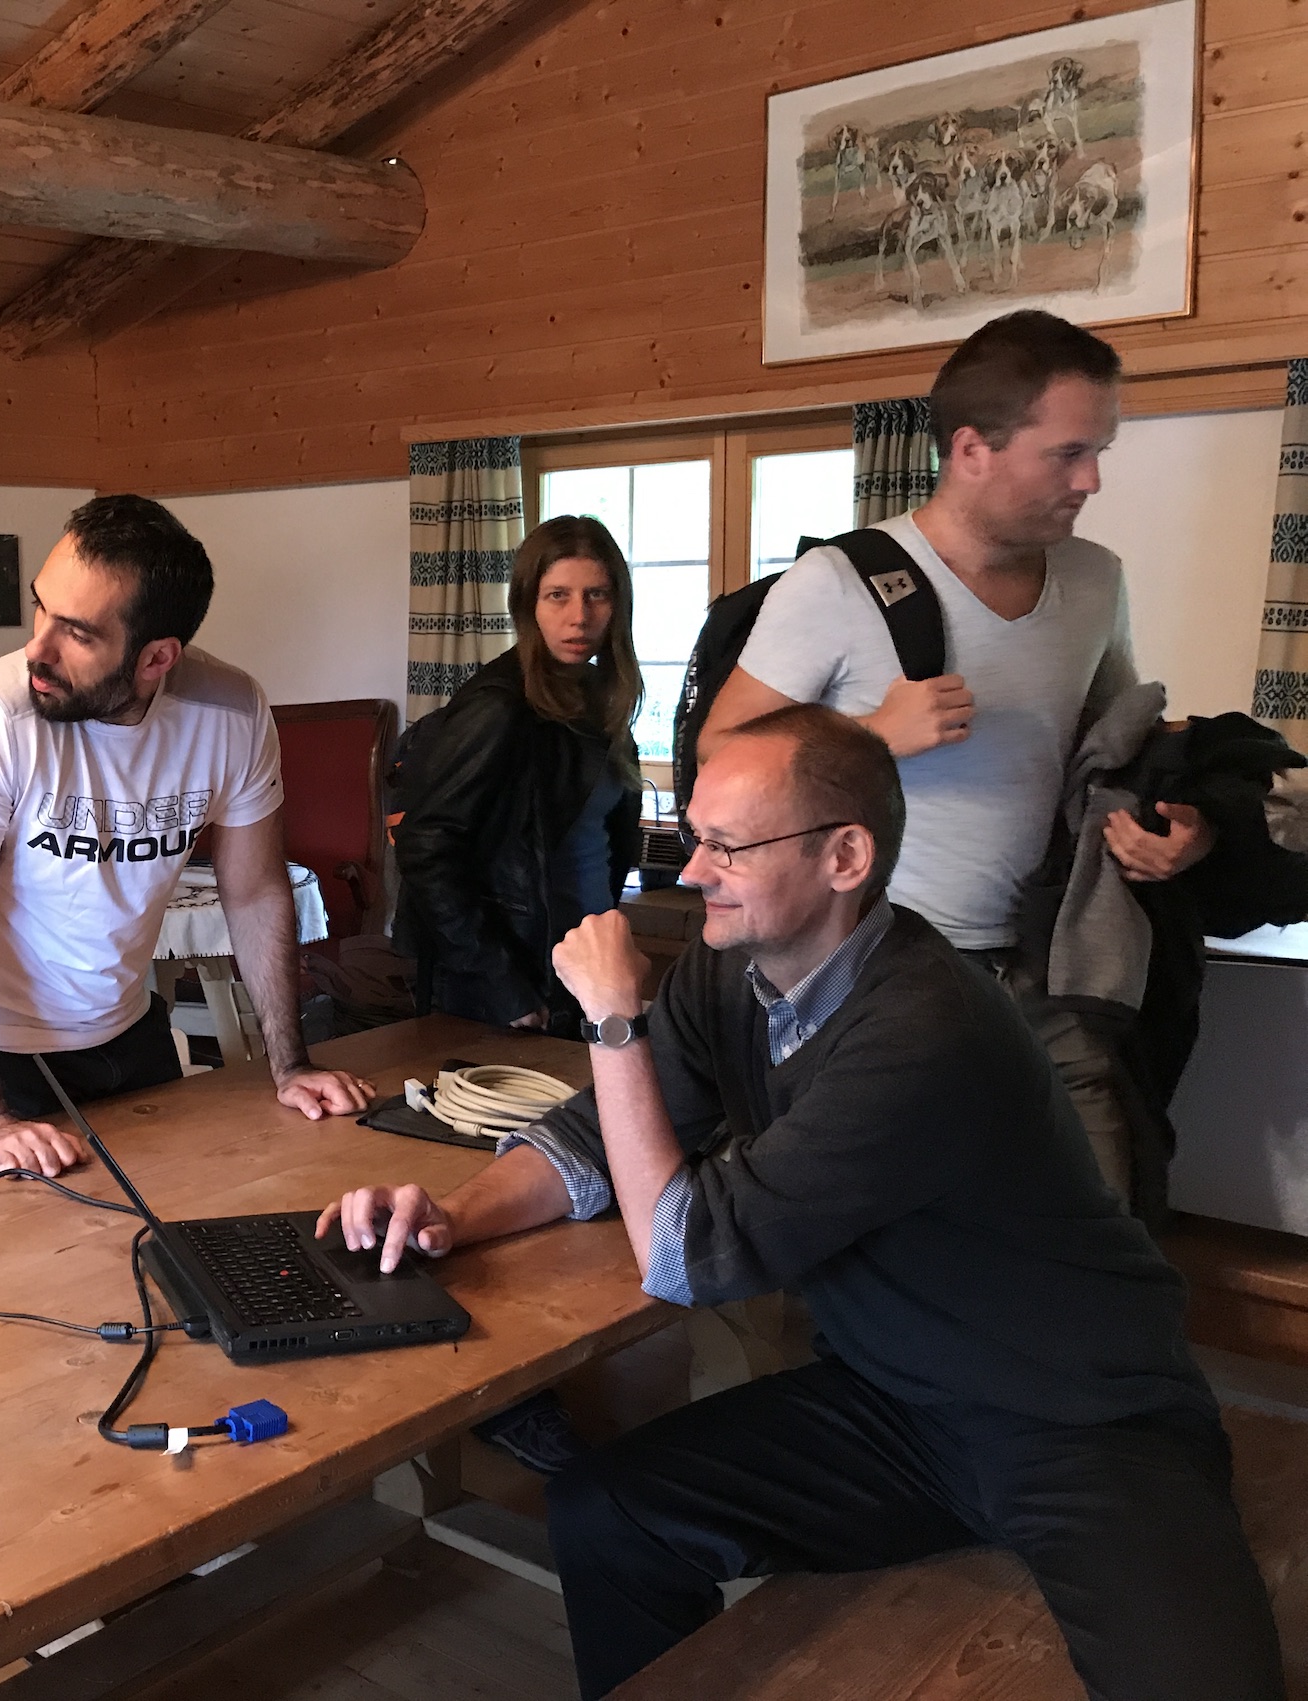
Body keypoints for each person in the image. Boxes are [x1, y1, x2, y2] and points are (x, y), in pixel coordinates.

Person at [316, 706, 1280, 1701]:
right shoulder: (726, 971)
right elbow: (592, 1139)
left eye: (728, 846)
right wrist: (453, 1216)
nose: (693, 870)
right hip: (896, 1402)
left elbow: (681, 1258)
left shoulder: (926, 1027)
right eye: (694, 836)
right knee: (609, 1510)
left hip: (1080, 1416)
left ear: (844, 857)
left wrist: (613, 1024)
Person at [700, 310, 1209, 1204]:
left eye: (1099, 452)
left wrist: (1182, 828)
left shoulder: (1096, 579)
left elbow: (1114, 751)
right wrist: (869, 738)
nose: (1091, 479)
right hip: (876, 974)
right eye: (1068, 453)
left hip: (1044, 966)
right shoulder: (836, 584)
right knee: (882, 1233)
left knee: (1100, 1225)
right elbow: (719, 752)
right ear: (972, 449)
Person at [0, 495, 371, 1177]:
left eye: (77, 633)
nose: (37, 648)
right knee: (8, 1243)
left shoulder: (230, 712)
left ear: (156, 658)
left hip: (128, 1031)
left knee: (167, 1221)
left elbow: (256, 891)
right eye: (41, 608)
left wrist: (290, 1065)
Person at [394, 515, 644, 1035]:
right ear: (528, 605)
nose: (579, 616)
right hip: (509, 981)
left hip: (581, 969)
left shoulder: (601, 700)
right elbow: (425, 845)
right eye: (558, 596)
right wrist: (501, 983)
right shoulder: (499, 707)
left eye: (596, 595)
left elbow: (602, 841)